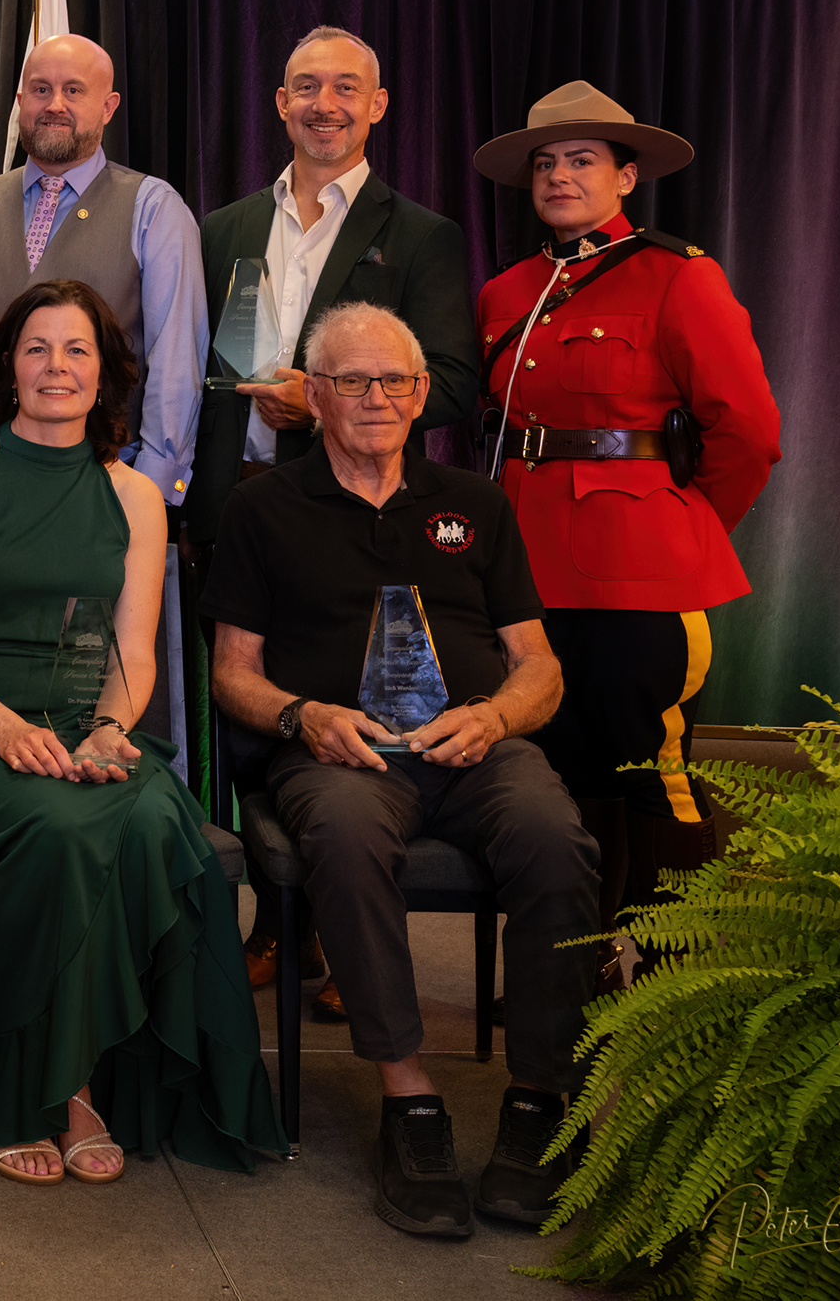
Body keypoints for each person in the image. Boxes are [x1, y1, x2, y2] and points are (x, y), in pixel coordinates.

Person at [201, 301, 601, 1236]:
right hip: (339, 754)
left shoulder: (478, 504)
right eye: (350, 380)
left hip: (475, 745)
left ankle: (540, 1100)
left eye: (393, 380)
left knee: (556, 839)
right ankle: (409, 1099)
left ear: (422, 393)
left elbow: (539, 665)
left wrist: (496, 715)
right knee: (342, 841)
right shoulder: (262, 508)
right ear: (314, 396)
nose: (374, 397)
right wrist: (302, 715)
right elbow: (232, 675)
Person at [0, 278, 283, 1187]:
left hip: (87, 727)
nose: (57, 366)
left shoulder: (137, 496)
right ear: (8, 365)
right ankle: (44, 1089)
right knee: (69, 827)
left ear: (105, 373)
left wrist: (110, 729)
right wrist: (3, 729)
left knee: (152, 820)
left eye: (77, 350)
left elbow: (136, 653)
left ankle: (91, 1076)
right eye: (36, 348)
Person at [184, 25, 480, 1010]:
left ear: (377, 106)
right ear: (280, 104)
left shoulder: (422, 235)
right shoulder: (222, 228)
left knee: (347, 719)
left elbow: (451, 381)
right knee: (247, 722)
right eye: (306, 87)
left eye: (346, 88)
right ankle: (280, 926)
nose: (325, 104)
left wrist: (323, 404)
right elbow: (199, 365)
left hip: (350, 516)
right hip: (232, 508)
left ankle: (348, 930)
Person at [470, 81, 780, 970]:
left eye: (582, 160)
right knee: (557, 770)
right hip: (528, 572)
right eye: (545, 162)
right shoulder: (507, 291)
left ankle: (672, 978)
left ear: (627, 176)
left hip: (638, 570)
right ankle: (575, 965)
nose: (559, 176)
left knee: (650, 769)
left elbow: (749, 431)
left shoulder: (679, 275)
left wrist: (682, 523)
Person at [0, 34, 206, 507]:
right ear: (20, 101)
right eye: (41, 90)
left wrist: (151, 492)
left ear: (108, 106)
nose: (55, 105)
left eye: (74, 90)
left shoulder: (154, 209)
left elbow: (176, 362)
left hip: (108, 485)